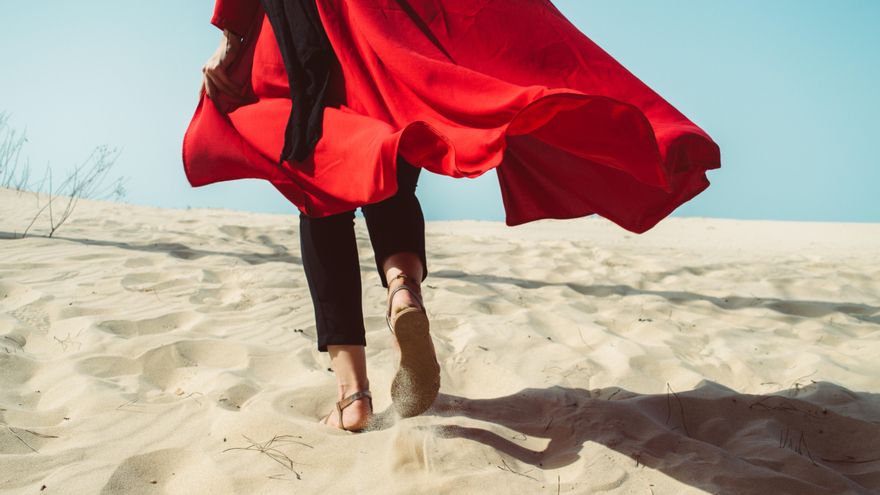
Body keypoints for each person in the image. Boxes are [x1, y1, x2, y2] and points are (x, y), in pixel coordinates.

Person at [185, 0, 721, 432]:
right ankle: (402, 286)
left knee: (319, 188)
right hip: (383, 17)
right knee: (388, 147)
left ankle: (353, 397)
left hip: (298, 24)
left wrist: (230, 35)